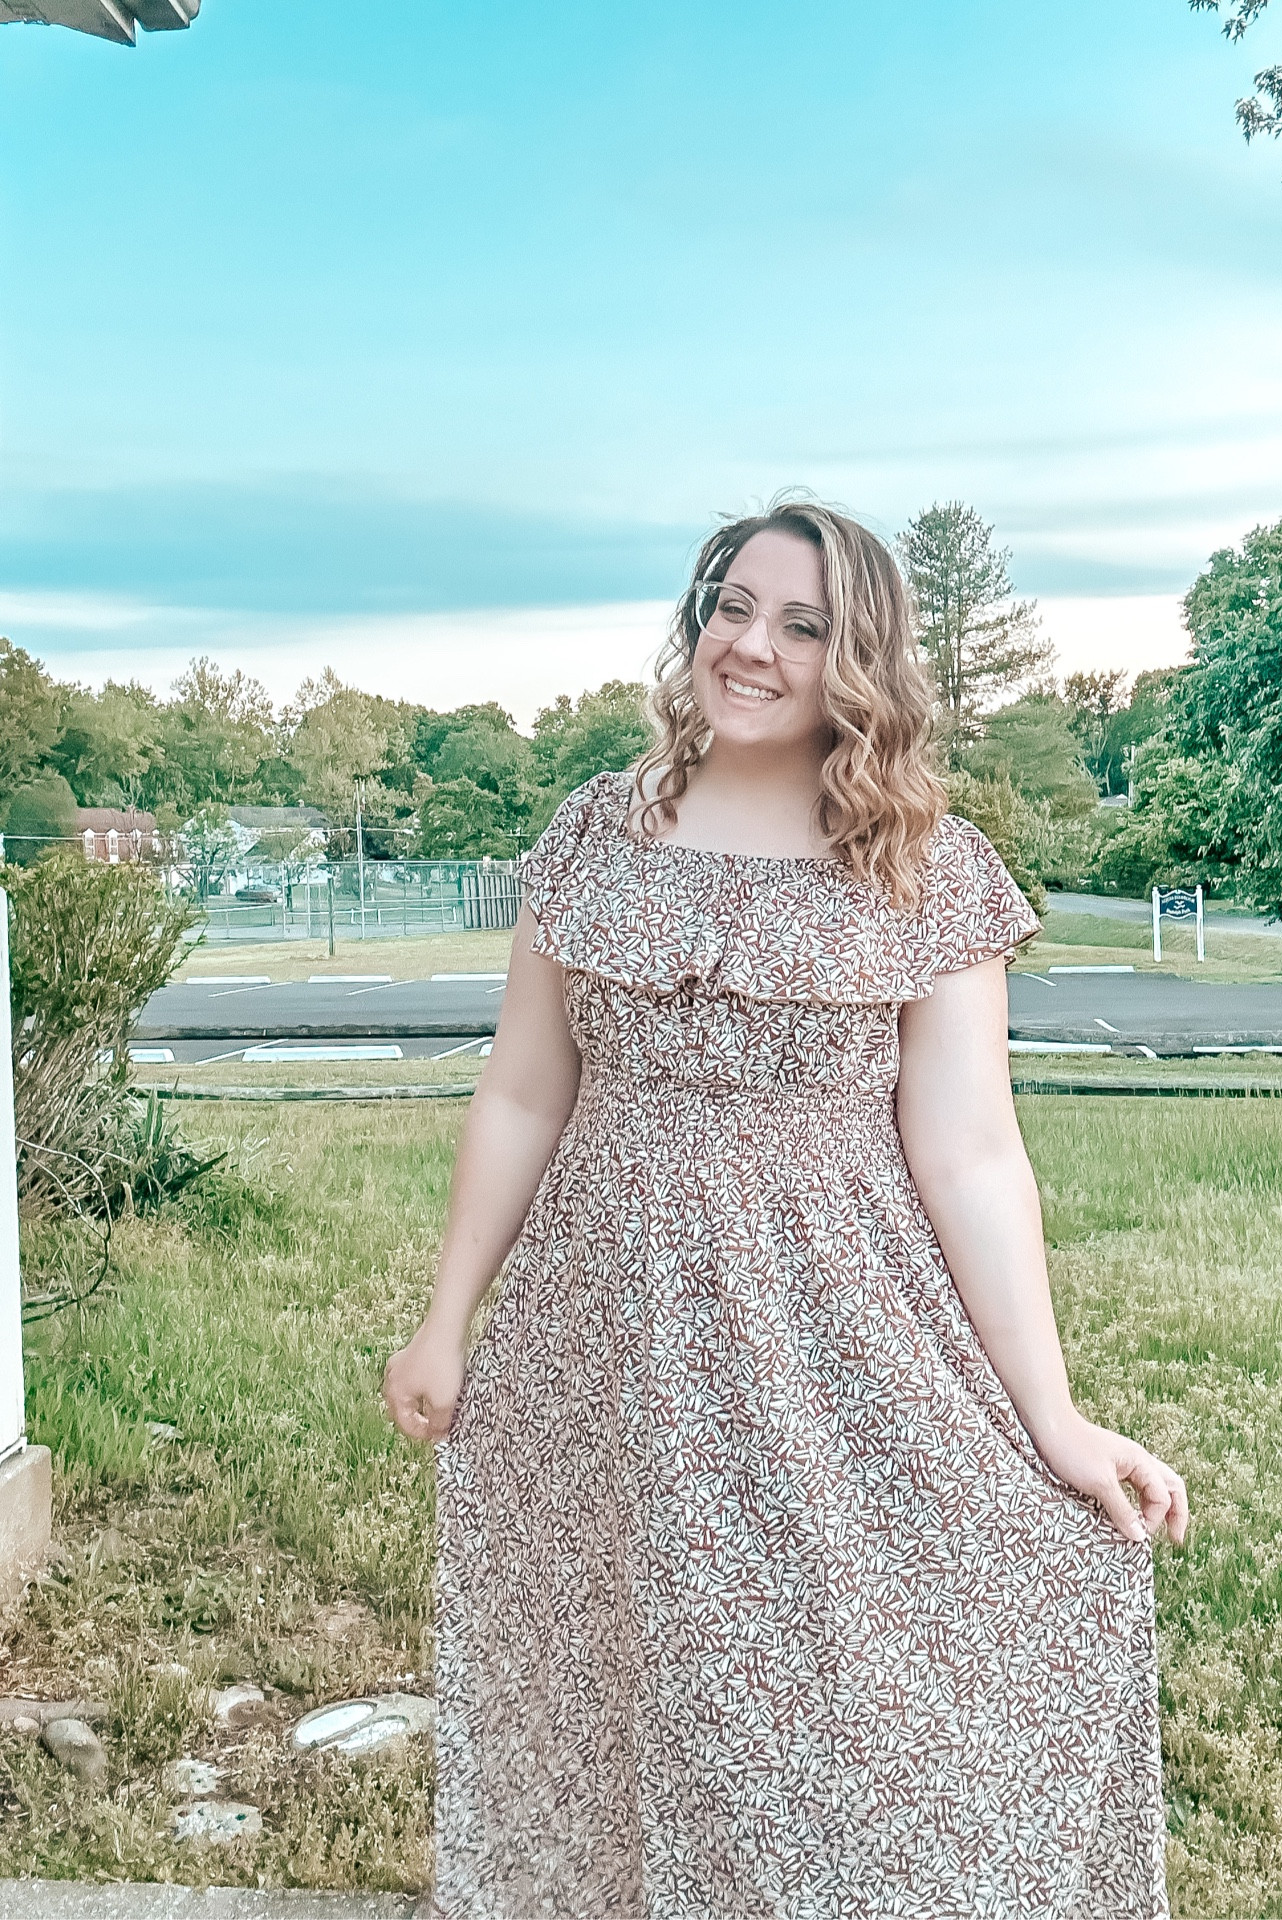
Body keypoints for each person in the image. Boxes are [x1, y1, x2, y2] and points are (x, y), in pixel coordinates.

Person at [383, 498, 1188, 1920]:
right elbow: (521, 1094)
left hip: (832, 1343)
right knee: (629, 1700)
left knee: (835, 1722)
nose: (751, 646)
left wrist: (1056, 1418)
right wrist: (445, 1319)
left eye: (802, 625)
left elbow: (972, 1155)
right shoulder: (594, 835)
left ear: (858, 660)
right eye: (732, 606)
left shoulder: (919, 862)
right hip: (605, 1341)